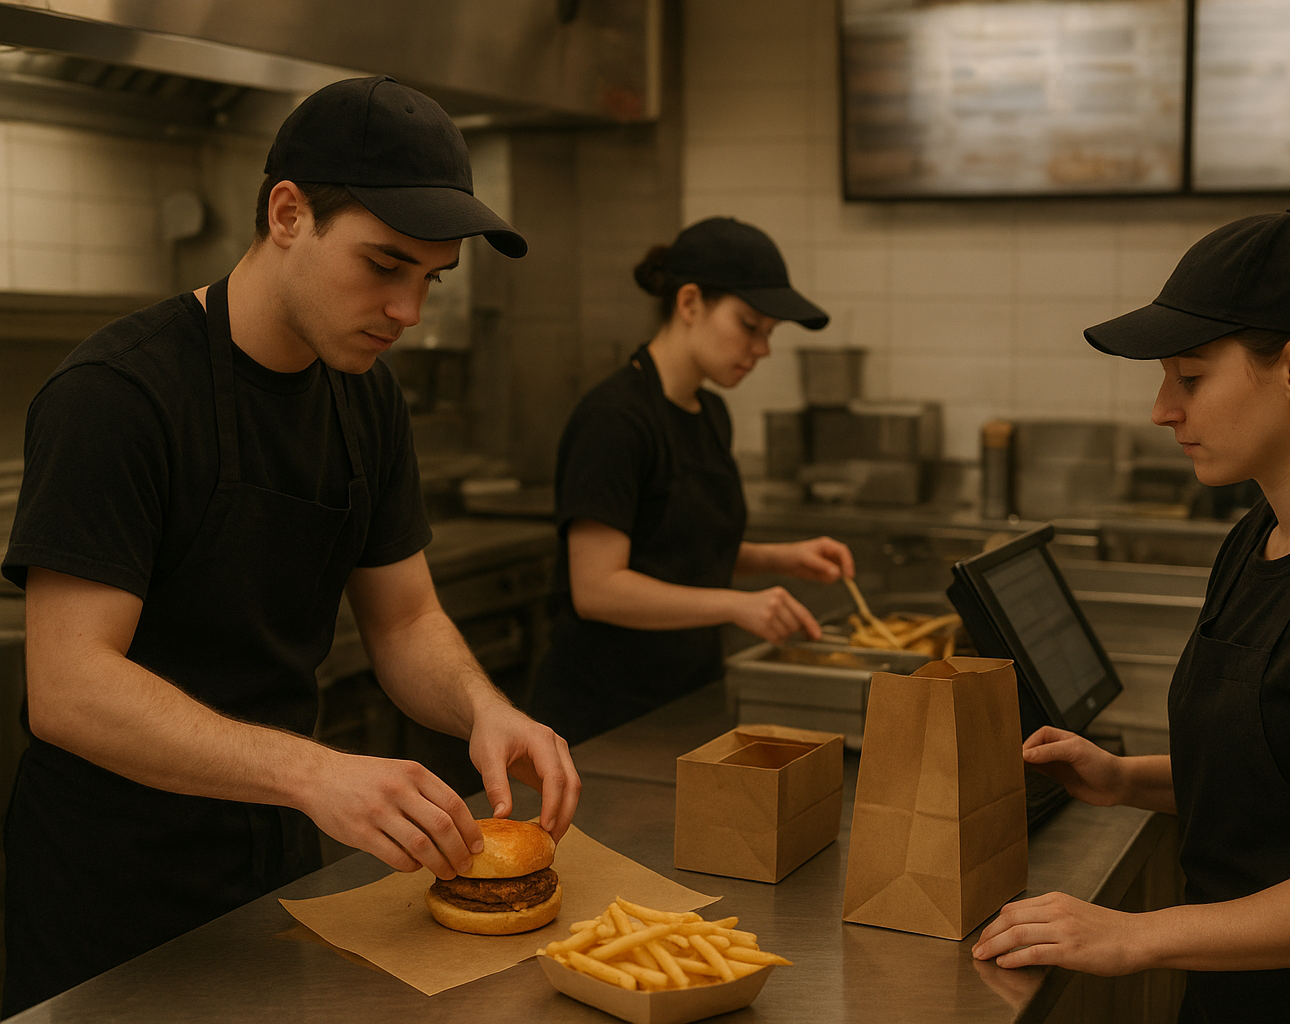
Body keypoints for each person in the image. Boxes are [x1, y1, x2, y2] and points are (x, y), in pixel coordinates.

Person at [0, 76, 580, 1014]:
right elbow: (69, 688)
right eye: (384, 266)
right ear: (286, 214)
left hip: (278, 860)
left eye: (429, 280)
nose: (408, 312)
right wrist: (314, 772)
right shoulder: (118, 395)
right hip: (112, 891)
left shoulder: (367, 398)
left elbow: (406, 620)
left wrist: (484, 708)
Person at [971, 210, 1290, 1022]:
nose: (1162, 409)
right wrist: (1123, 780)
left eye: (1189, 378)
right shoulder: (1259, 535)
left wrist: (1134, 935)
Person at [528, 217, 856, 745]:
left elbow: (678, 546)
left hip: (686, 698)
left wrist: (780, 557)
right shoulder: (614, 419)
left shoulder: (710, 415)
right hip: (604, 718)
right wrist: (736, 604)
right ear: (689, 303)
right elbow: (597, 589)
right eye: (749, 326)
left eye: (769, 333)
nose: (762, 349)